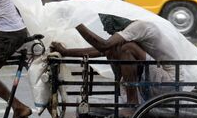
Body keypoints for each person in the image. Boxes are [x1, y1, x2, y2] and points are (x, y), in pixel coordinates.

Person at [51, 15, 184, 106]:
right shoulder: (133, 31)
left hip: (169, 82)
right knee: (115, 49)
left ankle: (132, 103)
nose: (105, 29)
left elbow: (103, 45)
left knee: (126, 48)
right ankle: (129, 99)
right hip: (156, 82)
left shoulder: (139, 26)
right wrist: (65, 52)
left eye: (106, 23)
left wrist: (77, 24)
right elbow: (98, 51)